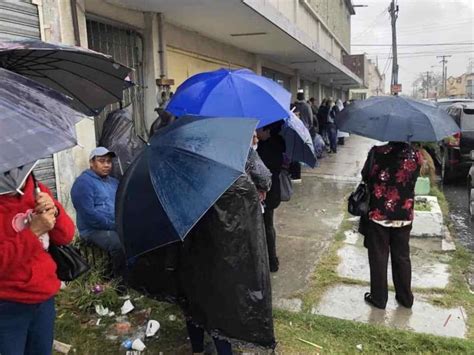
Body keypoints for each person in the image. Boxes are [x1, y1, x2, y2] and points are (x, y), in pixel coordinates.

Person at [0, 166, 75, 355]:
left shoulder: (38, 190)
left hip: (43, 298)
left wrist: (54, 210)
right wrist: (33, 233)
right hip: (7, 303)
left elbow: (65, 236)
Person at [359, 142, 422, 309]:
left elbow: (366, 176)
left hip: (379, 212)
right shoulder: (415, 155)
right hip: (404, 213)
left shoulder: (377, 152)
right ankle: (405, 298)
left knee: (378, 256)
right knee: (402, 256)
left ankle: (379, 298)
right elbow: (414, 179)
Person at [71, 147, 125, 279]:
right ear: (91, 162)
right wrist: (115, 226)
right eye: (102, 161)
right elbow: (89, 215)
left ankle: (133, 279)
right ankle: (119, 285)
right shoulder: (83, 183)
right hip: (92, 229)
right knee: (118, 244)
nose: (106, 165)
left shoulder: (113, 182)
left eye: (109, 161)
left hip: (114, 225)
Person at [257, 121, 286, 272]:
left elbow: (261, 172)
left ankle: (271, 260)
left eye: (259, 129)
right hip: (272, 191)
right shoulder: (275, 144)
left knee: (266, 226)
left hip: (267, 192)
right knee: (268, 225)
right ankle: (271, 260)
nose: (256, 132)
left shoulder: (268, 148)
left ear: (267, 130)